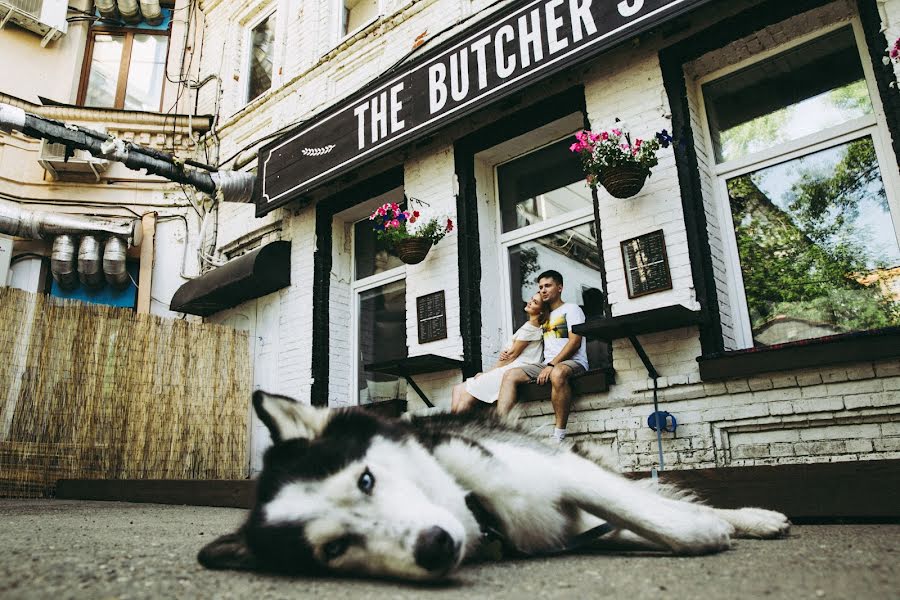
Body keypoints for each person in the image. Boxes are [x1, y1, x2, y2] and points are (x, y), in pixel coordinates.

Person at [497, 270, 588, 442]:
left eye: (548, 286)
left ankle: (558, 435)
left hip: (574, 362)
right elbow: (528, 338)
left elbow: (574, 342)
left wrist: (552, 365)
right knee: (510, 375)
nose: (543, 290)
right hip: (547, 364)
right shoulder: (543, 317)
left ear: (560, 287)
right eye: (540, 287)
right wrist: (509, 351)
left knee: (557, 373)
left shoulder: (572, 309)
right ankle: (500, 427)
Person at [451, 293, 549, 412]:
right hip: (509, 366)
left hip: (513, 368)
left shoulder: (531, 328)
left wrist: (486, 373)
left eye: (535, 302)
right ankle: (451, 425)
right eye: (531, 299)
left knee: (466, 396)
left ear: (541, 312)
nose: (529, 302)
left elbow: (511, 357)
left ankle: (457, 428)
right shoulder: (529, 326)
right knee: (457, 389)